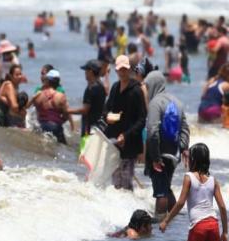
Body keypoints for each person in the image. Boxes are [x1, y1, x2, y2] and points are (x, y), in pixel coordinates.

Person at [160, 143, 228, 241]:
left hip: (198, 227)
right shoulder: (213, 181)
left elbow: (180, 203)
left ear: (194, 160)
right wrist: (225, 232)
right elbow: (222, 207)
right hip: (213, 226)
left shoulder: (189, 177)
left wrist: (166, 221)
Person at [144, 71, 190, 220]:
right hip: (174, 153)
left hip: (159, 153)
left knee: (160, 192)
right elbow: (185, 128)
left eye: (147, 85)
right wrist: (183, 149)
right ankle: (174, 220)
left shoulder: (155, 103)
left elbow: (152, 131)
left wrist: (155, 157)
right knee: (166, 186)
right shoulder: (178, 102)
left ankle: (160, 222)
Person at [101, 55, 146, 190]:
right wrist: (107, 116)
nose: (122, 72)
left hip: (130, 143)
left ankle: (130, 207)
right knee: (115, 182)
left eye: (125, 69)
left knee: (126, 181)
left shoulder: (136, 90)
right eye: (120, 69)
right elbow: (106, 109)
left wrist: (126, 135)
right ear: (116, 71)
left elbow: (142, 119)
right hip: (114, 142)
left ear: (129, 70)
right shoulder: (115, 87)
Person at [68, 60, 107, 139]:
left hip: (88, 126)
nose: (85, 73)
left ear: (91, 72)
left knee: (84, 148)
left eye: (86, 70)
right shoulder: (101, 86)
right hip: (98, 125)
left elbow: (85, 110)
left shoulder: (90, 89)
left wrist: (68, 111)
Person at [31, 69, 69, 144]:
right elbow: (66, 115)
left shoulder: (39, 94)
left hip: (42, 126)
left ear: (47, 81)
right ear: (58, 82)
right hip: (56, 127)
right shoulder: (61, 96)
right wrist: (59, 122)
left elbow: (33, 110)